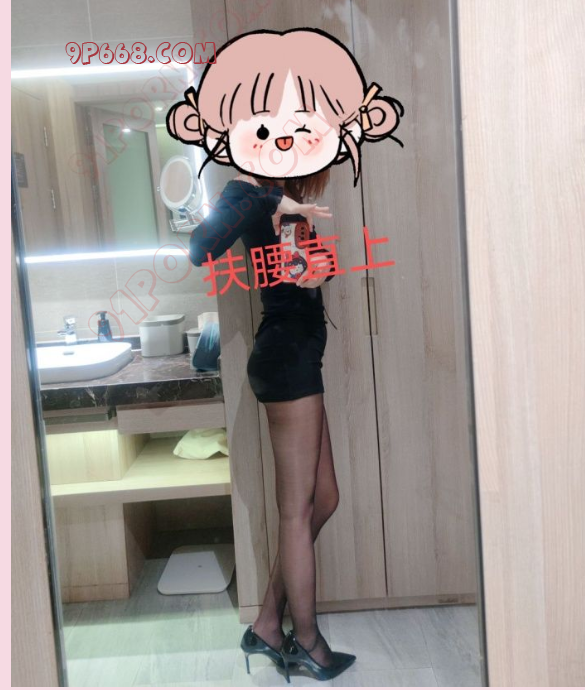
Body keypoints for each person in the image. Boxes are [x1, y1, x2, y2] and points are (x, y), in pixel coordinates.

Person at [166, 27, 403, 683]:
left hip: (300, 357)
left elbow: (298, 275)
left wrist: (307, 253)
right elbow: (200, 248)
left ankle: (269, 623)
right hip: (285, 361)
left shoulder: (284, 200)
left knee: (323, 499)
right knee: (297, 511)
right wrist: (264, 199)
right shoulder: (248, 193)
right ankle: (306, 643)